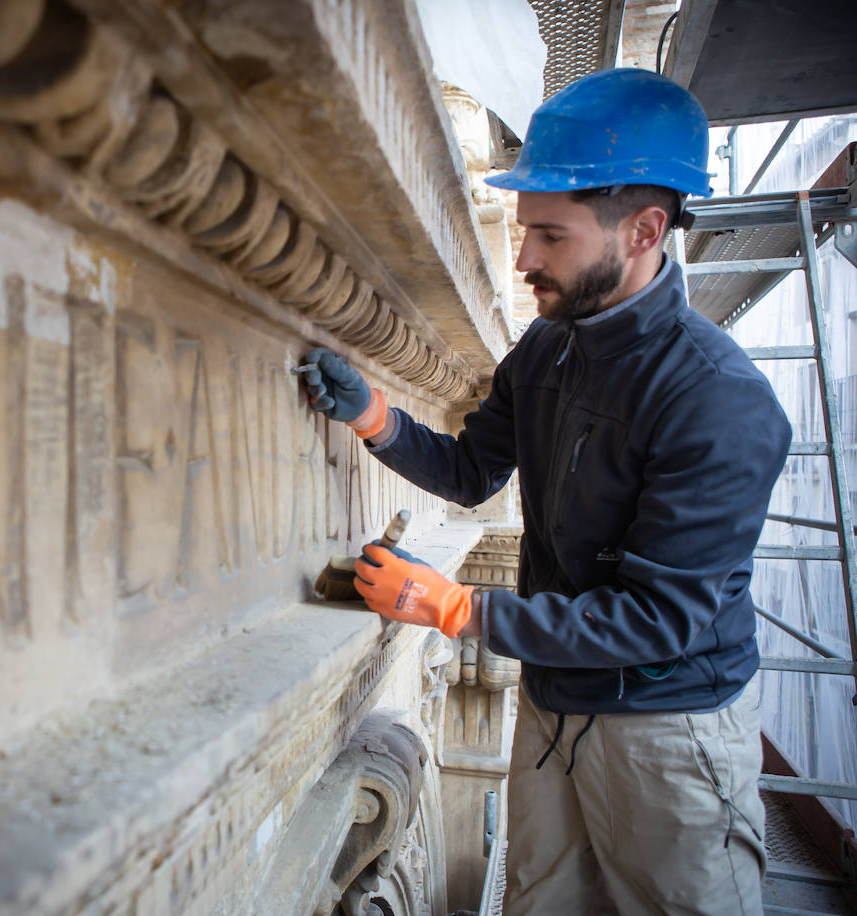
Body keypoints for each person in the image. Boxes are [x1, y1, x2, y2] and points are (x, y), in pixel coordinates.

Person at [300, 68, 791, 914]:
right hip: (557, 700)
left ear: (644, 229)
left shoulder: (718, 399)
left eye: (551, 237)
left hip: (666, 728)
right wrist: (377, 416)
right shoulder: (548, 352)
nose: (524, 258)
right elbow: (469, 470)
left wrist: (458, 611)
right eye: (525, 231)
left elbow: (658, 618)